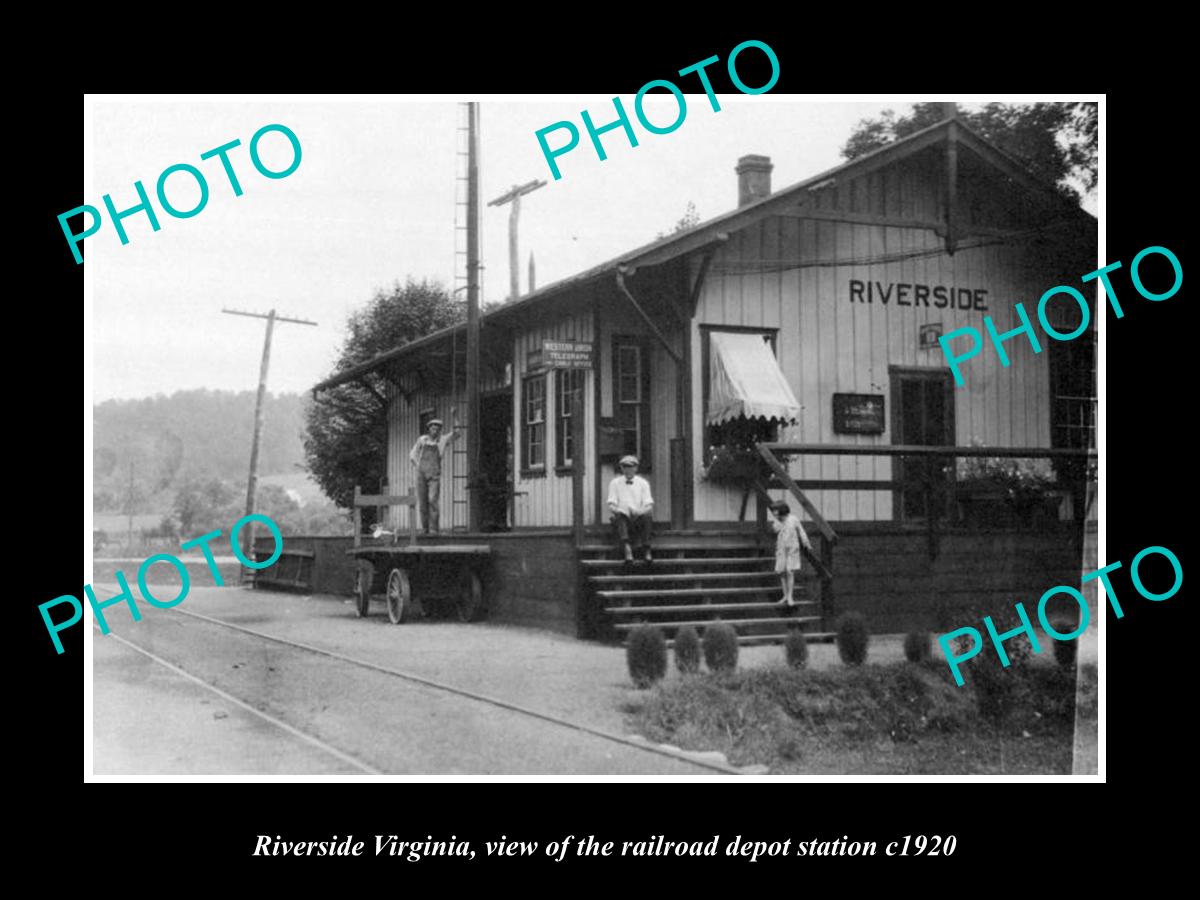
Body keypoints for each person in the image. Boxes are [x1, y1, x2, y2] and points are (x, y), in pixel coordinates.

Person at [409, 412, 461, 534]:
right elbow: (412, 455)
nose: (435, 430)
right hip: (421, 474)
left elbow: (457, 433)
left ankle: (434, 529)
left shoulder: (443, 440)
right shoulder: (422, 440)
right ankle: (425, 528)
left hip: (434, 474)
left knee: (432, 500)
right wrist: (418, 466)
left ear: (440, 430)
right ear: (429, 429)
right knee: (422, 502)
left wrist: (454, 416)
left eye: (437, 428)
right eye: (433, 427)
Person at [607, 455, 654, 564]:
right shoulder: (615, 483)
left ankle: (647, 550)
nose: (627, 470)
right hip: (622, 519)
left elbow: (649, 505)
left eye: (630, 467)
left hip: (637, 519)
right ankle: (627, 548)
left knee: (647, 517)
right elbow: (611, 504)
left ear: (636, 468)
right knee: (619, 516)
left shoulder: (643, 483)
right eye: (624, 467)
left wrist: (639, 511)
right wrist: (618, 510)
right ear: (621, 468)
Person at [771, 500, 812, 606]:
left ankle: (790, 596)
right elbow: (775, 530)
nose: (774, 512)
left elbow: (801, 531)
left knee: (790, 571)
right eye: (773, 511)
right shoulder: (777, 521)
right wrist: (778, 521)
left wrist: (806, 542)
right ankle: (785, 595)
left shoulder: (793, 519)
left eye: (776, 510)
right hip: (781, 548)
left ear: (782, 509)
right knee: (782, 571)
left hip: (792, 548)